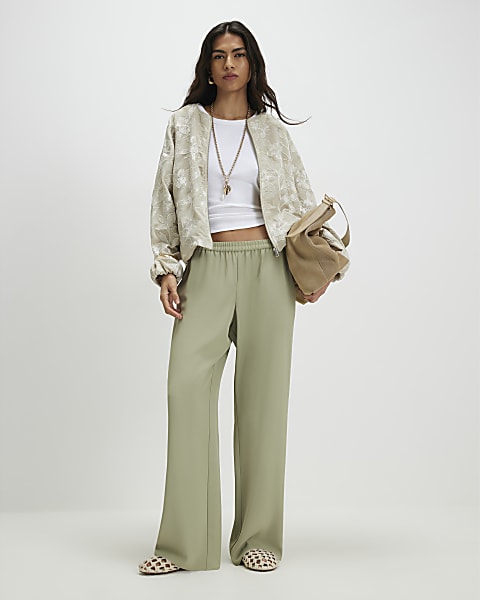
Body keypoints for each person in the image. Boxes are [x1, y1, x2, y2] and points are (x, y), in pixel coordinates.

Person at [138, 20, 333, 575]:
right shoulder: (184, 126)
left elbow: (302, 203)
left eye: (239, 54)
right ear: (208, 65)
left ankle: (256, 539)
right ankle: (184, 546)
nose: (229, 64)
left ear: (252, 64)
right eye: (220, 55)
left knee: (264, 404)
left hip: (268, 269)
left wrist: (310, 271)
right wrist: (167, 269)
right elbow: (164, 204)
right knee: (185, 390)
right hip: (206, 267)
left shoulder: (271, 132)